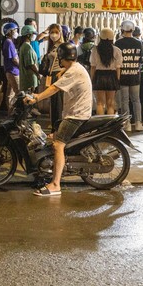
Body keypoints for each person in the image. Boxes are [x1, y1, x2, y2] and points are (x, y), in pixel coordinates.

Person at [25, 42, 92, 197]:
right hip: (75, 112)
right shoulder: (74, 68)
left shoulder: (73, 72)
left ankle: (55, 184)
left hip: (76, 115)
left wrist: (37, 98)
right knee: (51, 137)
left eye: (60, 59)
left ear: (62, 57)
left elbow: (54, 88)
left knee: (57, 145)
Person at [115, 20, 143, 132]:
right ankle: (138, 123)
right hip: (135, 76)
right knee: (136, 100)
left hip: (122, 76)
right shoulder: (139, 43)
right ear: (132, 29)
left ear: (122, 29)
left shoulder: (118, 43)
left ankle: (126, 124)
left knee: (124, 101)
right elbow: (141, 59)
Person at [90, 28, 122, 115]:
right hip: (112, 76)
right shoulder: (117, 50)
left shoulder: (95, 50)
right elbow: (118, 68)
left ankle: (100, 126)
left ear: (100, 37)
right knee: (110, 104)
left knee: (100, 103)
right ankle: (110, 126)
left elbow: (93, 67)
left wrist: (92, 79)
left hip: (99, 75)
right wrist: (117, 80)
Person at [41, 23, 65, 131]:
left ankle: (59, 127)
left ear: (60, 33)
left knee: (59, 102)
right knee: (53, 102)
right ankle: (54, 126)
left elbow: (70, 62)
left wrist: (62, 72)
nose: (54, 35)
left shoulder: (63, 46)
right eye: (51, 32)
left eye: (56, 32)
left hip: (59, 75)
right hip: (51, 75)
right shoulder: (51, 46)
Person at [1, 22, 20, 114]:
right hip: (13, 71)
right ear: (9, 31)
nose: (16, 32)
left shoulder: (8, 42)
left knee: (10, 93)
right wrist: (21, 67)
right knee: (18, 93)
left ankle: (10, 113)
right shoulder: (8, 42)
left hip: (11, 70)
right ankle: (14, 114)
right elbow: (14, 59)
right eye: (15, 30)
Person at [18, 25, 39, 92]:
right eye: (33, 34)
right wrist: (38, 73)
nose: (34, 36)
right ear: (28, 35)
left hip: (26, 78)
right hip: (30, 79)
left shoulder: (23, 46)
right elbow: (31, 64)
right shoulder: (27, 47)